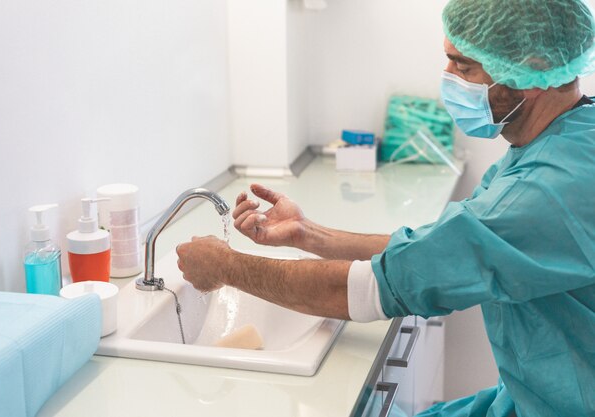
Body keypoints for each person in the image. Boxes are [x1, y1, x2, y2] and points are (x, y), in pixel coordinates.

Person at [176, 0, 595, 415]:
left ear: (534, 69)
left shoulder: (548, 190)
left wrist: (227, 267)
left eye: (463, 66)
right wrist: (309, 234)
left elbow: (377, 287)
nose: (447, 79)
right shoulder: (561, 140)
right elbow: (437, 250)